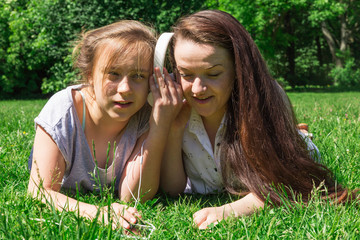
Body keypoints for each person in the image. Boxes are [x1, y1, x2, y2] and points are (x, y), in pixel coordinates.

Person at [160, 10, 352, 229]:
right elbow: (172, 190)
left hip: (290, 148)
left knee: (300, 144)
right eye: (186, 74)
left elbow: (286, 181)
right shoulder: (176, 108)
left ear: (237, 68)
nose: (197, 89)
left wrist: (232, 209)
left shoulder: (265, 99)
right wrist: (174, 130)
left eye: (213, 74)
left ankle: (298, 135)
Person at [28, 20, 182, 230]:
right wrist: (99, 213)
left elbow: (134, 196)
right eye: (113, 74)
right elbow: (39, 192)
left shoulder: (145, 115)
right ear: (90, 74)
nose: (126, 88)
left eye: (138, 76)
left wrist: (159, 125)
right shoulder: (63, 110)